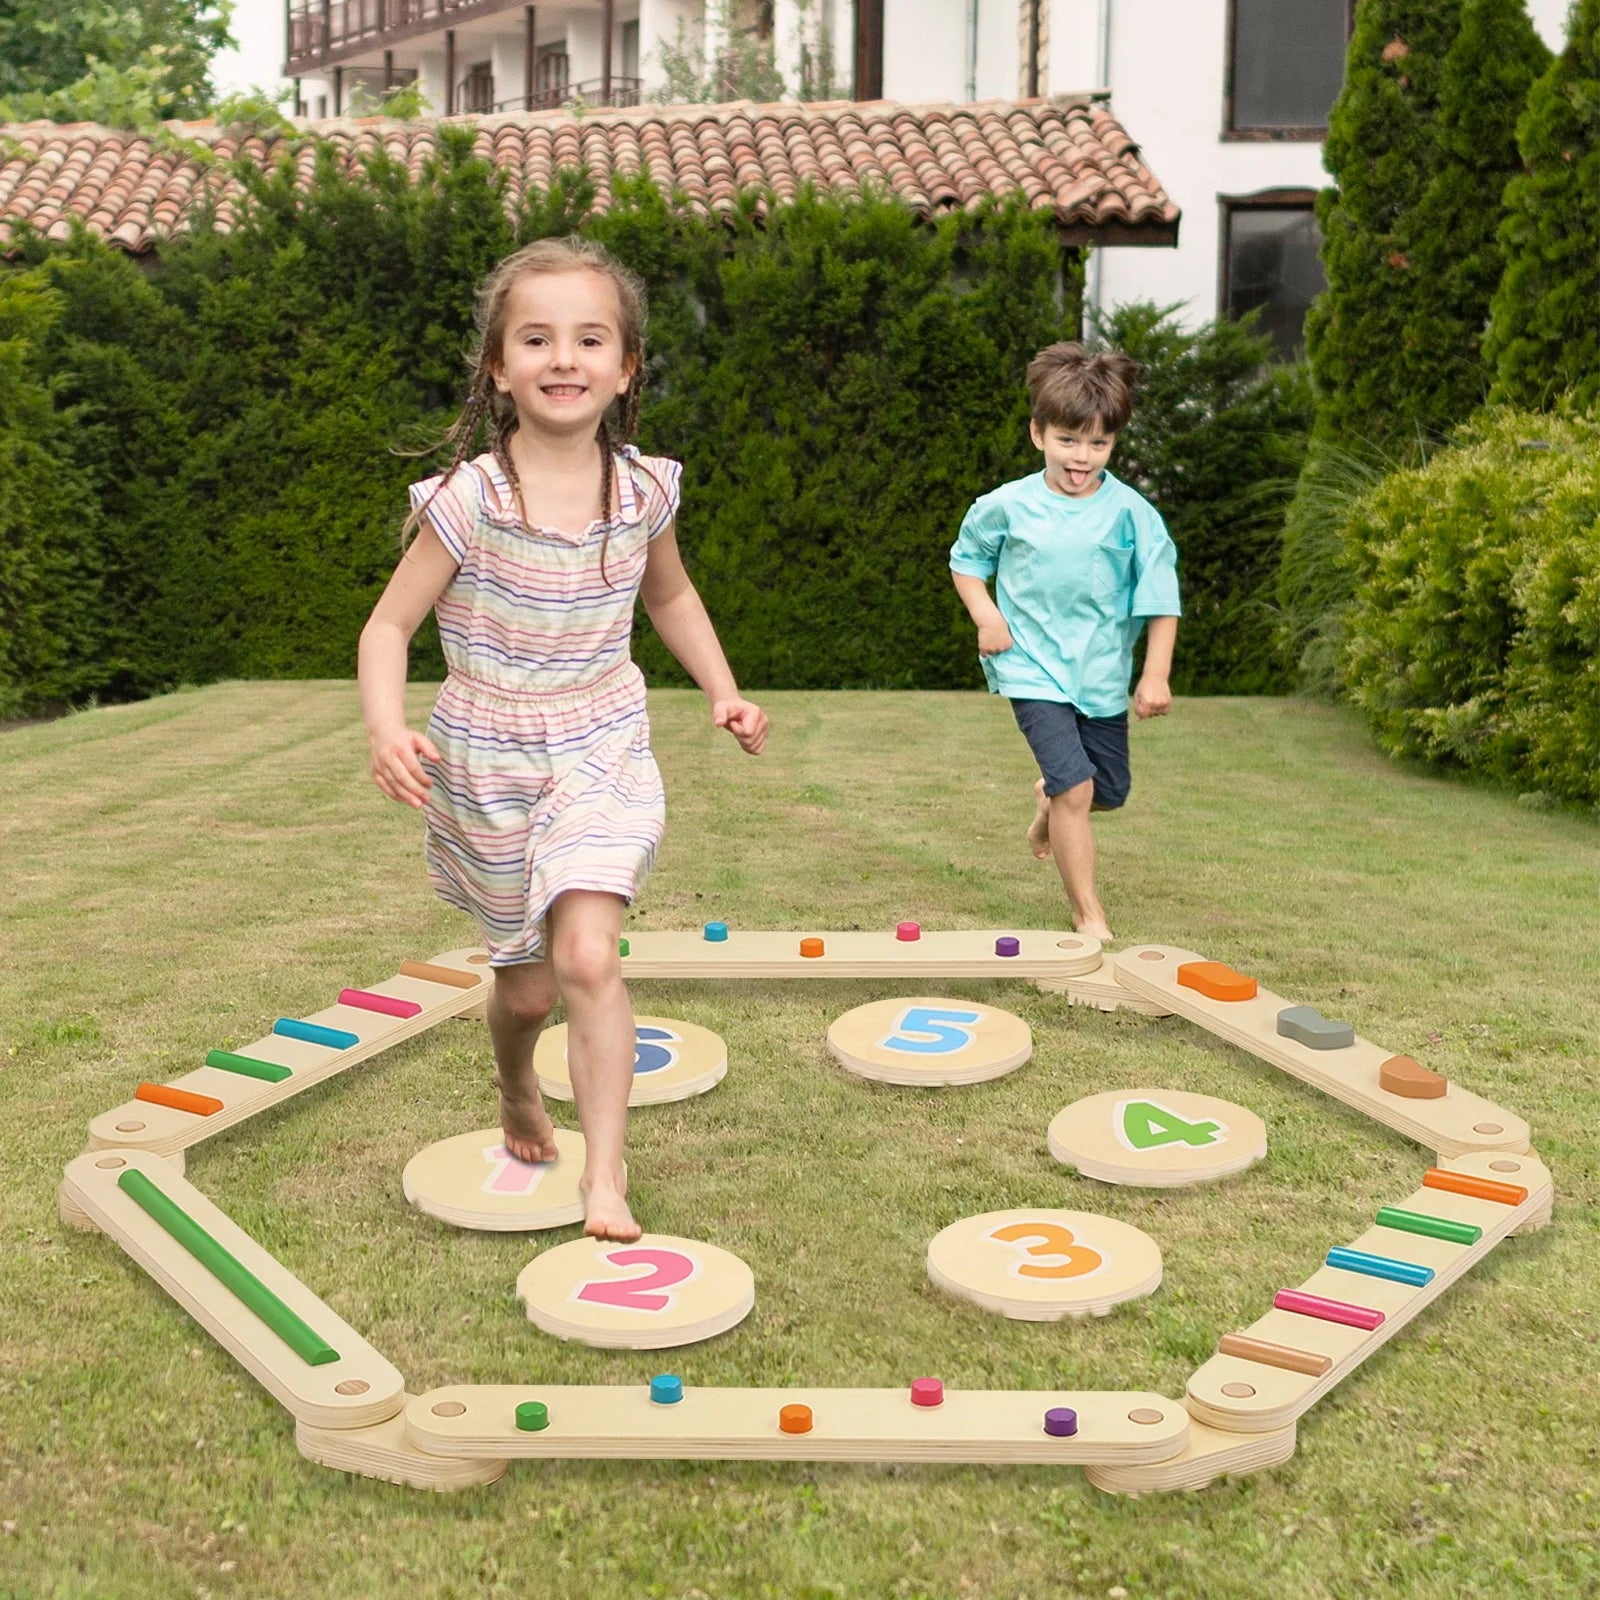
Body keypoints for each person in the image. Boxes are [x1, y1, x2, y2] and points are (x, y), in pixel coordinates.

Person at [358, 236, 767, 1242]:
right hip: (489, 759)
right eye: (535, 338)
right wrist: (386, 726)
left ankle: (605, 1181)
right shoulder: (467, 502)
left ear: (625, 367)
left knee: (588, 956)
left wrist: (721, 689)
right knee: (529, 986)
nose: (563, 358)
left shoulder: (642, 492)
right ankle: (513, 1085)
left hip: (600, 743)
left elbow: (667, 592)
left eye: (590, 338)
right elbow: (386, 628)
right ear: (499, 366)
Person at [949, 341, 1179, 943]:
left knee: (1108, 791)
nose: (1082, 457)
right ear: (1038, 434)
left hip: (1100, 675)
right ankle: (1089, 916)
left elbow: (1160, 599)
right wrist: (986, 615)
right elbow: (966, 561)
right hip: (1028, 666)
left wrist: (1153, 674)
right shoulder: (1007, 506)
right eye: (1068, 441)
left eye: (1098, 444)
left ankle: (1049, 803)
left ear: (1113, 443)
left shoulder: (1133, 515)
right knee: (1077, 785)